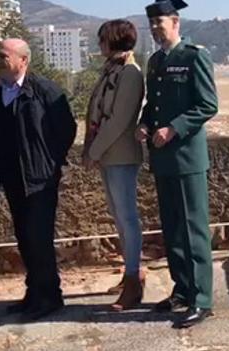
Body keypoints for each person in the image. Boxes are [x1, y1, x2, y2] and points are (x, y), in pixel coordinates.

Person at [135, 0, 218, 328]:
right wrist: (144, 123)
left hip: (186, 156)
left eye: (161, 22)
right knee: (172, 228)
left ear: (175, 23)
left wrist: (174, 129)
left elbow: (208, 105)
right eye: (152, 23)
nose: (156, 28)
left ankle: (202, 299)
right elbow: (152, 105)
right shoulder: (155, 61)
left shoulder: (195, 56)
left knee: (193, 228)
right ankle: (182, 289)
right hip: (162, 158)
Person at [0, 39, 76, 321]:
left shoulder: (44, 90)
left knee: (40, 239)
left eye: (4, 55)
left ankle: (50, 296)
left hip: (39, 178)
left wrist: (50, 160)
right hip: (12, 178)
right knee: (24, 238)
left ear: (23, 60)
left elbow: (67, 128)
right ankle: (33, 292)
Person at [83, 20, 146, 311]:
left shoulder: (130, 73)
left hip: (120, 154)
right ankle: (130, 271)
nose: (99, 46)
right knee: (119, 218)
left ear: (114, 41)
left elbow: (119, 120)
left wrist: (94, 151)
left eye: (102, 40)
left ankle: (134, 280)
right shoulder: (112, 70)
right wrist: (92, 149)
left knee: (128, 218)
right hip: (109, 155)